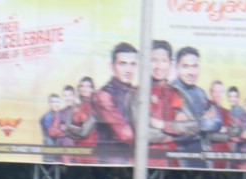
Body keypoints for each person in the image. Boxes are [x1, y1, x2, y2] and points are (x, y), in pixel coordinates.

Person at [146, 40, 199, 168]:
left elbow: (194, 127)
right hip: (145, 161)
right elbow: (143, 133)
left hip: (172, 162)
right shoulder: (138, 94)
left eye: (163, 61)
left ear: (170, 64)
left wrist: (162, 124)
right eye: (153, 60)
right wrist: (177, 129)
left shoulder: (176, 94)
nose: (158, 66)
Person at [170, 46, 220, 167]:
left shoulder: (201, 93)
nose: (191, 72)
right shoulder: (170, 92)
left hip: (204, 153)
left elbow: (217, 122)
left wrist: (193, 124)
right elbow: (175, 130)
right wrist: (203, 122)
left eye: (194, 66)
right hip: (179, 156)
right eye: (185, 66)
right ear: (176, 68)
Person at [92, 42, 139, 163]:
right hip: (112, 161)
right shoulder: (103, 95)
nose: (128, 70)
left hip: (134, 161)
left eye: (133, 64)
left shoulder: (135, 91)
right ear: (112, 66)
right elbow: (125, 134)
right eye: (123, 64)